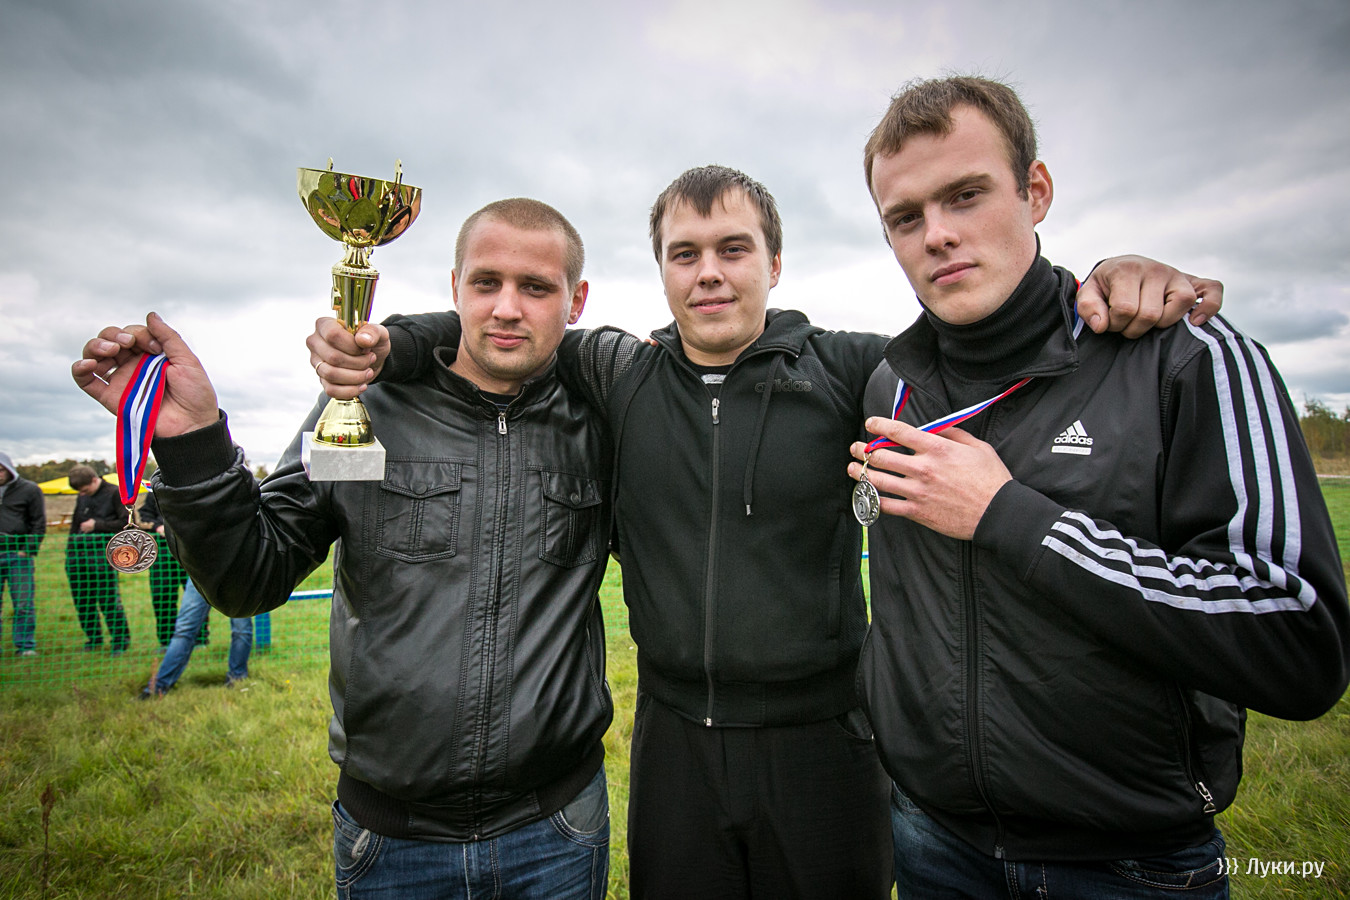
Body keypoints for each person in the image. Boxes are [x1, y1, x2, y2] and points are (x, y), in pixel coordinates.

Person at [311, 166, 1223, 898]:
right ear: (661, 271)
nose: (708, 272)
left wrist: (1102, 285)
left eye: (733, 249)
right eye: (684, 253)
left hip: (824, 745)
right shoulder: (618, 371)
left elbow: (983, 341)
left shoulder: (855, 370)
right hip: (673, 744)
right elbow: (503, 325)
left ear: (774, 264)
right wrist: (391, 340)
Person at [848, 75, 1350, 897]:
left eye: (966, 195)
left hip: (1128, 866)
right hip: (931, 841)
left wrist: (1011, 516)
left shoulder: (1186, 356)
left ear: (1036, 191)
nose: (937, 234)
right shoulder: (890, 388)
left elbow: (1301, 639)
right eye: (906, 217)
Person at [74, 198, 615, 899]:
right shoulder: (366, 409)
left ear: (576, 300)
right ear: (456, 287)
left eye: (536, 287)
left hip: (558, 828)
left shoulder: (597, 424)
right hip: (393, 842)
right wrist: (192, 444)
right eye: (487, 282)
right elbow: (249, 577)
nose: (507, 308)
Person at [138, 577, 251, 698]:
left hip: (237, 575)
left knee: (241, 630)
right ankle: (159, 686)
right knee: (184, 630)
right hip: (203, 575)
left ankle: (237, 677)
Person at [66, 464, 130, 654]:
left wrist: (97, 525)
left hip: (103, 558)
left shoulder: (115, 493)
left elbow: (126, 522)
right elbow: (75, 524)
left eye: (85, 490)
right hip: (79, 558)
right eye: (80, 492)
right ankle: (93, 638)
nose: (82, 494)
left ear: (95, 480)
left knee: (108, 601)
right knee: (83, 602)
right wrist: (70, 552)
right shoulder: (82, 496)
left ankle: (120, 640)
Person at [0, 451, 44, 657]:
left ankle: (25, 645)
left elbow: (38, 521)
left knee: (23, 603)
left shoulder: (29, 490)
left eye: (1, 470)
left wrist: (28, 549)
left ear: (9, 469)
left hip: (18, 555)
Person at [138, 490, 194, 648]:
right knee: (162, 596)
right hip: (161, 553)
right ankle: (166, 639)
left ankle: (199, 637)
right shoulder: (154, 492)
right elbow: (144, 516)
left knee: (193, 597)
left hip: (188, 551)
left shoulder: (191, 490)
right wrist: (157, 527)